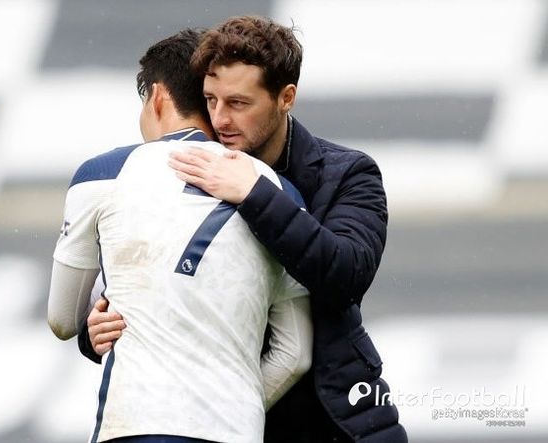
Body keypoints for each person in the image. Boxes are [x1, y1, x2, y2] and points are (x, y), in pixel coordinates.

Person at [82, 16, 408, 442]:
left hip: (334, 423)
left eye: (238, 103)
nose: (220, 119)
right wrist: (95, 331)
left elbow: (345, 275)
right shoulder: (186, 171)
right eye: (210, 100)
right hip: (218, 429)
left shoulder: (348, 173)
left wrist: (255, 194)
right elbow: (141, 287)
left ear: (286, 97)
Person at [47, 29, 312, 443]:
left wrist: (92, 325)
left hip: (133, 426)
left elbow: (63, 320)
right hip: (234, 430)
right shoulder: (280, 192)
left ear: (156, 97)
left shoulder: (101, 175)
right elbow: (295, 355)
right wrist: (229, 411)